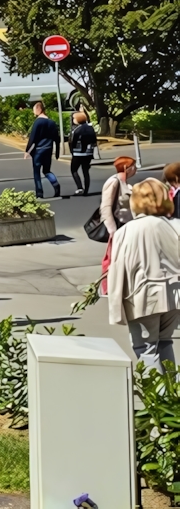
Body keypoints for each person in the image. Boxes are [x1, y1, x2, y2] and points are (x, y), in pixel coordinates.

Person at [108, 178, 180, 369]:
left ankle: (157, 396)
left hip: (143, 297)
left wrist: (116, 306)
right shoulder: (176, 226)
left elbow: (117, 270)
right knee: (165, 341)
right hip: (174, 296)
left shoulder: (126, 232)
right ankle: (173, 392)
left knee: (146, 348)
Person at [24, 101, 63, 198]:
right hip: (48, 149)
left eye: (34, 110)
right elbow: (57, 139)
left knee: (37, 172)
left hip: (38, 150)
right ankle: (56, 185)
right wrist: (57, 152)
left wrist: (27, 151)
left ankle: (39, 193)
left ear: (38, 109)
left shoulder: (38, 122)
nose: (34, 112)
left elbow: (33, 138)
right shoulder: (52, 122)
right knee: (47, 170)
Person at [101, 156, 137, 238]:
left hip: (125, 224)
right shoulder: (113, 182)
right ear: (127, 168)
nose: (135, 170)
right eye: (134, 167)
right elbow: (106, 207)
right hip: (118, 225)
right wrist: (112, 228)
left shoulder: (123, 181)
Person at [69, 111, 97, 196]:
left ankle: (80, 187)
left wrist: (72, 151)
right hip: (88, 153)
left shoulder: (77, 130)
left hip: (78, 153)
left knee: (74, 170)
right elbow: (94, 141)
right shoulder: (90, 128)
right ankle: (86, 190)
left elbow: (72, 142)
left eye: (74, 118)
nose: (73, 120)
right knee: (85, 171)